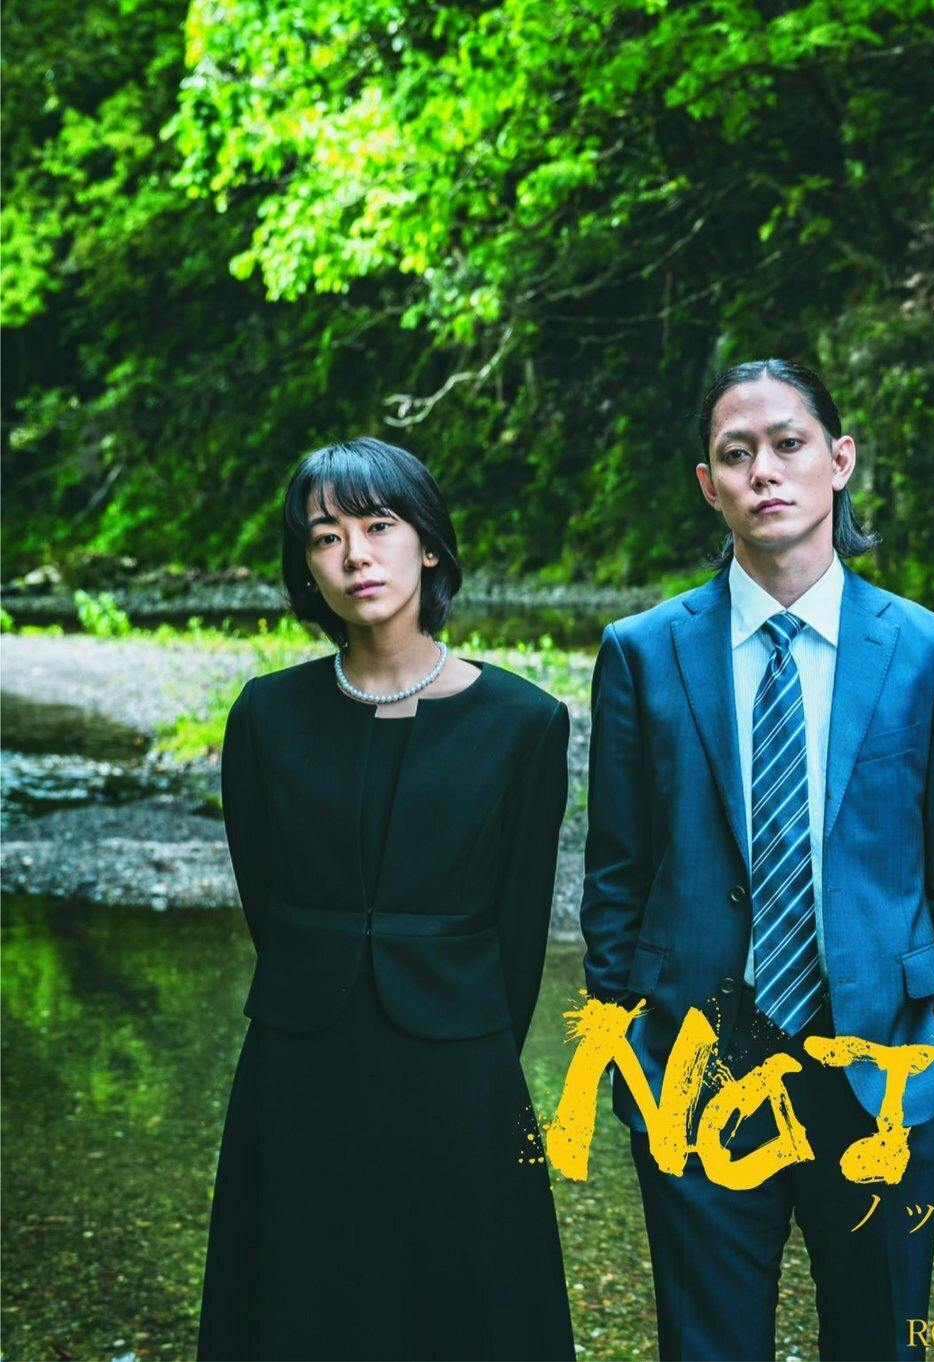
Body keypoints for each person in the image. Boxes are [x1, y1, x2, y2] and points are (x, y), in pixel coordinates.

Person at [581, 359, 934, 1361]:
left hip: (885, 1067)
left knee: (878, 1341)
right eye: (737, 453)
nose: (764, 470)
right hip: (695, 1068)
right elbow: (615, 877)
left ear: (838, 460)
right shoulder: (643, 652)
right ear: (707, 483)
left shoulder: (928, 649)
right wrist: (628, 1055)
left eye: (788, 444)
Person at [198, 437, 574, 1360]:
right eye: (326, 538)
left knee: (466, 1306)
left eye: (378, 526)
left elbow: (521, 927)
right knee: (299, 1300)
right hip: (299, 1059)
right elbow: (265, 898)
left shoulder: (525, 722)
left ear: (429, 545)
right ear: (306, 567)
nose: (355, 555)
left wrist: (471, 1031)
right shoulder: (265, 715)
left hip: (460, 1065)